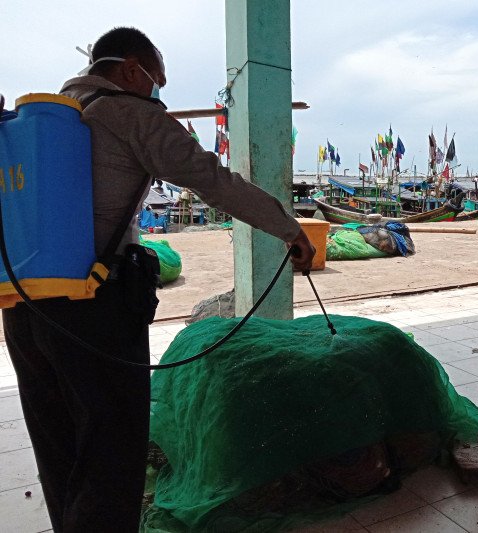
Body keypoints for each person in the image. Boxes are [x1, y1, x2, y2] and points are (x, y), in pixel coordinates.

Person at [2, 27, 314, 532]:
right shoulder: (131, 114)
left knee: (58, 444)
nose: (158, 93)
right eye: (156, 82)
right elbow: (214, 180)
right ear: (130, 70)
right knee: (111, 451)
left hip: (23, 306)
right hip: (91, 305)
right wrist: (288, 227)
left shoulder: (43, 120)